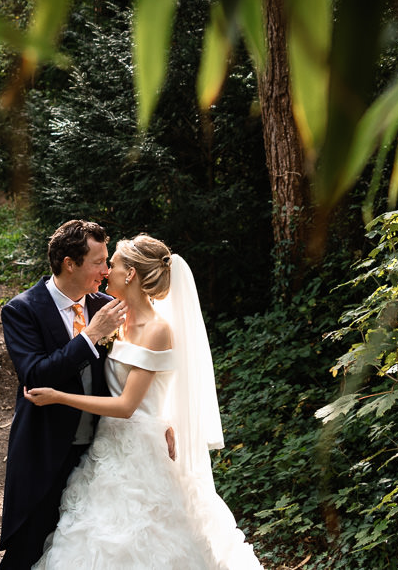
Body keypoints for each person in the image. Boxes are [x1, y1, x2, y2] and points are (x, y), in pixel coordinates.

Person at [23, 234, 263, 570]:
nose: (106, 271)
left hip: (140, 454)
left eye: (114, 263)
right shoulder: (115, 321)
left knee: (140, 541)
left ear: (131, 273)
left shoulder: (157, 330)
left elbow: (126, 405)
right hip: (107, 447)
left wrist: (58, 397)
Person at [0, 220, 129, 570]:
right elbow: (35, 376)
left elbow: (135, 373)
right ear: (70, 263)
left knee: (80, 550)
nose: (106, 270)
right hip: (45, 449)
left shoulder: (106, 304)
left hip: (99, 452)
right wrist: (91, 336)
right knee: (29, 548)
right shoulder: (21, 310)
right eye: (98, 262)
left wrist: (160, 420)